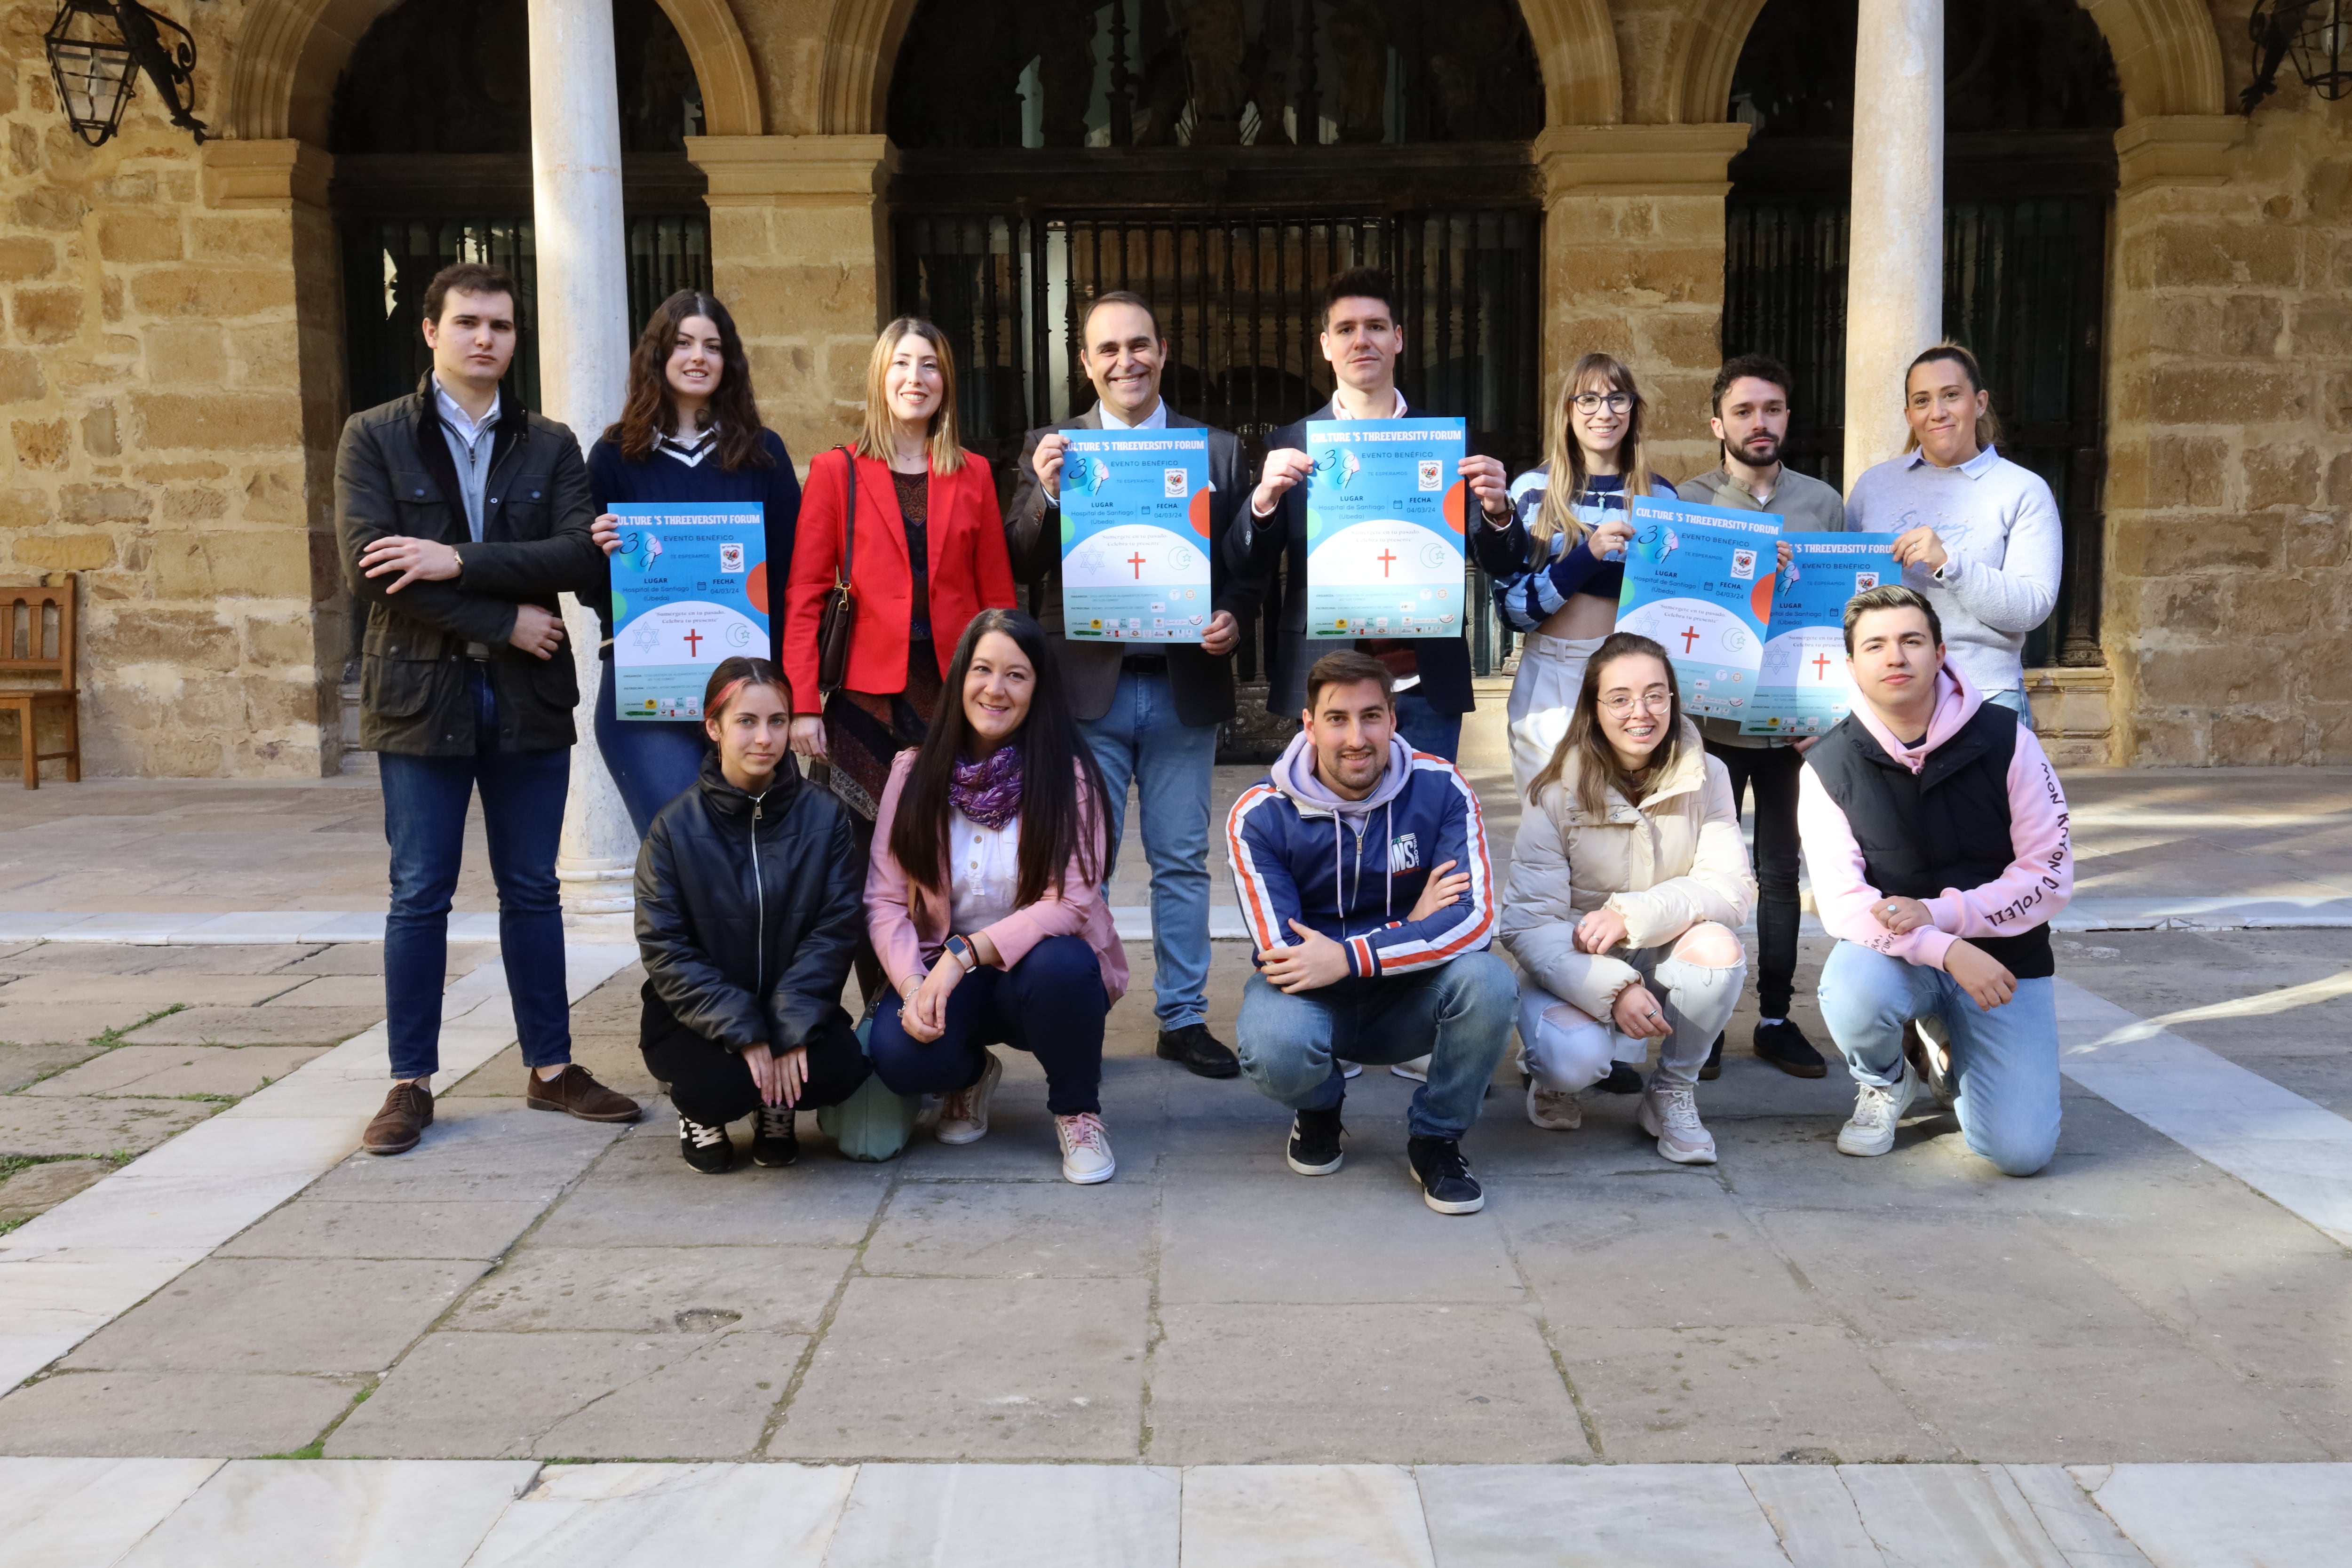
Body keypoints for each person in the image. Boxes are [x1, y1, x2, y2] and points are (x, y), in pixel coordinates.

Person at [336, 261, 641, 1156]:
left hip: (527, 699)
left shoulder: (551, 443)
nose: (485, 338)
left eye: (501, 326)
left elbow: (580, 561)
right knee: (419, 892)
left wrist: (455, 562)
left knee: (533, 888)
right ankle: (410, 1079)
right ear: (429, 331)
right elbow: (376, 567)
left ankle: (552, 1067)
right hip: (418, 690)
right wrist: (505, 615)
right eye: (468, 321)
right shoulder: (374, 437)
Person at [1004, 291, 1259, 1081]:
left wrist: (1230, 616)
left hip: (1183, 685)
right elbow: (1018, 559)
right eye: (1108, 349)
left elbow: (1247, 567)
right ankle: (1084, 1007)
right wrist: (1046, 493)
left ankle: (1182, 1016)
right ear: (1085, 362)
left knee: (1182, 858)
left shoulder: (1214, 450)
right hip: (1088, 690)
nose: (1126, 361)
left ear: (1164, 347)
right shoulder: (1052, 446)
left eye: (1139, 344)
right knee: (1086, 860)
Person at [1226, 649, 1517, 1215]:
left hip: (1412, 996)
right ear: (1308, 724)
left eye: (1371, 717)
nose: (1355, 737)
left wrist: (1352, 955)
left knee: (1488, 982)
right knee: (1274, 1046)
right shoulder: (1258, 814)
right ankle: (1319, 1106)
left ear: (1393, 718)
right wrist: (1409, 926)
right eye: (1336, 718)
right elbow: (1283, 953)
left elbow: (1475, 922)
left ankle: (1436, 1138)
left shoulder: (1442, 789)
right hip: (1314, 998)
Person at [1798, 585, 2073, 1176]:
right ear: (1851, 666)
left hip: (2004, 964)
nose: (1894, 657)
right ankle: (1885, 1080)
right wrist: (1945, 950)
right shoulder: (1827, 765)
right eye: (1875, 645)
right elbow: (1843, 905)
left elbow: (2049, 874)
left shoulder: (2007, 741)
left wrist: (1943, 916)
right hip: (1902, 959)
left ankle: (1945, 1052)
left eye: (1910, 641)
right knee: (1852, 986)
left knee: (2019, 1154)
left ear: (1940, 653)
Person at [782, 318, 1017, 989]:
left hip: (953, 698)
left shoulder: (972, 474)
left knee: (942, 858)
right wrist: (802, 704)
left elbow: (998, 601)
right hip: (864, 701)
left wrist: (1008, 691)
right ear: (880, 379)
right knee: (862, 864)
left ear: (946, 383)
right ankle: (885, 1006)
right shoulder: (837, 472)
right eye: (903, 366)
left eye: (931, 367)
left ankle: (946, 1007)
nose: (916, 379)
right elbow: (804, 593)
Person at [865, 610, 1129, 1185]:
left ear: (1039, 688)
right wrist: (914, 986)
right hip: (941, 971)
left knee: (1063, 962)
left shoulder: (1071, 777)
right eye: (982, 669)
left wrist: (962, 955)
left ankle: (1077, 1111)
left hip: (1032, 976)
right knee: (898, 1053)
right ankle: (969, 1076)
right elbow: (884, 901)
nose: (995, 688)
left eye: (1016, 675)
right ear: (960, 677)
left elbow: (1070, 904)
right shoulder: (912, 774)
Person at [1229, 267, 1514, 763]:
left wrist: (1497, 512)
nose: (1361, 340)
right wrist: (1263, 501)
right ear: (1325, 345)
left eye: (1376, 327)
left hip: (1424, 680)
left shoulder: (1444, 442)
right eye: (1345, 330)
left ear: (1398, 339)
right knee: (1330, 831)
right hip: (1326, 681)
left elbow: (1499, 559)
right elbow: (1245, 564)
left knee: (1421, 824)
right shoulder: (1289, 444)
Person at [1498, 634, 1754, 1164]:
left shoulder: (1710, 777)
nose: (1640, 712)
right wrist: (1613, 991)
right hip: (1573, 960)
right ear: (1593, 709)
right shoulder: (1554, 792)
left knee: (1717, 947)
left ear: (1673, 700)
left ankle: (1670, 1092)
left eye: (1655, 695)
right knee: (1573, 1059)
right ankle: (1551, 1081)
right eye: (1619, 698)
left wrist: (1629, 915)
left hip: (1659, 947)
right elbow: (1527, 925)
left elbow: (1729, 889)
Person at [635, 658, 874, 1173]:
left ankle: (775, 1104)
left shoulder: (824, 815)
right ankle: (700, 1113)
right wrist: (746, 1030)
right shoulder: (673, 828)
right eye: (746, 721)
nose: (764, 738)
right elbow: (665, 948)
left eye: (778, 721)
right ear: (713, 727)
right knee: (715, 1087)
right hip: (696, 1016)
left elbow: (835, 929)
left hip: (793, 997)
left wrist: (788, 1026)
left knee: (839, 1068)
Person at [1678, 354, 1845, 1081]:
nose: (1759, 423)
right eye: (1744, 411)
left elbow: (1844, 610)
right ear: (1718, 424)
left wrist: (1836, 709)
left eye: (1772, 409)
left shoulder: (1824, 504)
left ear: (1787, 419)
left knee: (1782, 871)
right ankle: (1704, 1021)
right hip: (1711, 723)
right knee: (1709, 872)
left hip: (1792, 724)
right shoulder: (1687, 501)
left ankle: (1775, 1018)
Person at [585, 290, 802, 836]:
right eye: (682, 344)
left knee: (753, 854)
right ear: (657, 355)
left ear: (729, 362)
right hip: (647, 690)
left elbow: (793, 573)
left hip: (745, 694)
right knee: (681, 851)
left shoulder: (762, 454)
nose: (697, 357)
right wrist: (596, 551)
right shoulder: (614, 455)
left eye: (712, 346)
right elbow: (589, 586)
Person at [1476, 352, 1680, 802]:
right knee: (1551, 818)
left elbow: (1674, 599)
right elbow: (1514, 610)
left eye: (1617, 399)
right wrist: (1586, 557)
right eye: (1588, 399)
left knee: (1627, 823)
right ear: (1568, 411)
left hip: (1630, 677)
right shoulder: (1532, 491)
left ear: (1634, 409)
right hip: (1553, 670)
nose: (1604, 412)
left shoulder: (1659, 494)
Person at [1845, 343, 2062, 720]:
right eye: (1922, 401)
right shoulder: (1874, 485)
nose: (1938, 412)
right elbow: (1844, 589)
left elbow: (2032, 607)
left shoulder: (2022, 490)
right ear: (1909, 414)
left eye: (1951, 396)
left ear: (1979, 403)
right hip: (1886, 701)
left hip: (1985, 697)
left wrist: (1950, 564)